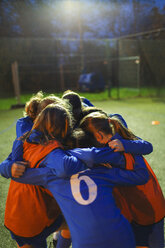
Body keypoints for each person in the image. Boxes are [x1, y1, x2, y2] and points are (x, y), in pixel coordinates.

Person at [7, 104, 150, 248]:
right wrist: (126, 149)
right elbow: (141, 176)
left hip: (85, 242)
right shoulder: (103, 171)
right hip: (122, 235)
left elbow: (20, 176)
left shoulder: (53, 175)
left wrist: (10, 167)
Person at [77, 111, 165, 248]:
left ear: (99, 136)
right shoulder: (118, 140)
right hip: (135, 210)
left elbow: (143, 165)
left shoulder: (117, 147)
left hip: (150, 208)